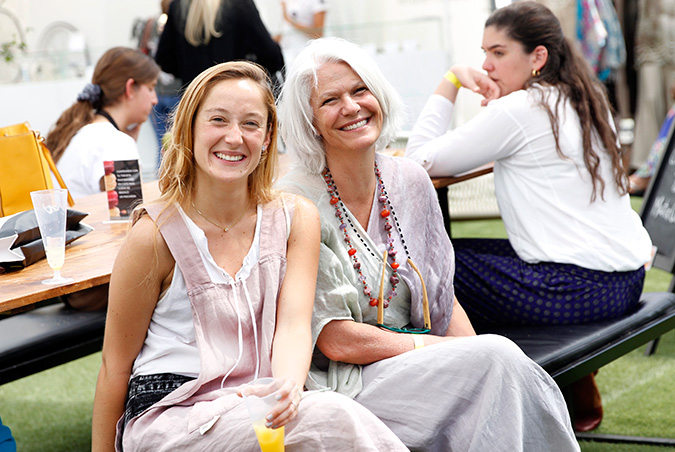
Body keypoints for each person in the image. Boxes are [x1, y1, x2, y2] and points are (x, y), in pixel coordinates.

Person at [277, 37, 580, 452]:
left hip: (421, 360)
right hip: (344, 383)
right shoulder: (295, 200)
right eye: (330, 99)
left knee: (499, 366)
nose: (351, 107)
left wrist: (473, 353)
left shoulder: (411, 180)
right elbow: (335, 339)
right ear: (309, 121)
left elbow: (443, 299)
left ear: (378, 94)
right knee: (495, 360)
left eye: (360, 90)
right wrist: (453, 351)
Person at [91, 60, 408, 452]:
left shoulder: (295, 219)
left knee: (319, 415)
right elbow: (114, 366)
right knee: (332, 416)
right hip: (174, 418)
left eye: (251, 124)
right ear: (189, 129)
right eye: (218, 120)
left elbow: (294, 327)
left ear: (269, 135)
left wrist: (288, 388)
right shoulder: (153, 237)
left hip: (256, 405)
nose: (234, 138)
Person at [405, 1, 653, 432]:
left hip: (578, 288)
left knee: (422, 273)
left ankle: (473, 406)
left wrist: (451, 81)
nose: (486, 65)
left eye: (498, 53)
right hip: (626, 280)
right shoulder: (585, 97)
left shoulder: (520, 111)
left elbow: (414, 164)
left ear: (538, 57)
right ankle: (572, 385)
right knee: (450, 254)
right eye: (483, 53)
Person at [46, 47, 159, 199]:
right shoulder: (116, 143)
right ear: (130, 88)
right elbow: (127, 212)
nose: (155, 100)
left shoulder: (81, 133)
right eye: (151, 88)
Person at [155, 0, 284, 89]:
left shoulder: (178, 7)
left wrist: (188, 70)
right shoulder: (241, 5)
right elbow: (273, 58)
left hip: (192, 101)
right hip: (234, 98)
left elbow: (164, 59)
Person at [132, 0, 183, 169]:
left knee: (162, 146)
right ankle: (172, 187)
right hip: (178, 91)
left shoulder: (150, 24)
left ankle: (160, 185)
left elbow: (141, 53)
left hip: (153, 92)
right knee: (179, 146)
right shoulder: (182, 23)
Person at [276, 0, 327, 68]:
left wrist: (290, 21)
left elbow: (318, 32)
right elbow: (285, 28)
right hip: (287, 53)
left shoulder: (315, 2)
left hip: (305, 53)